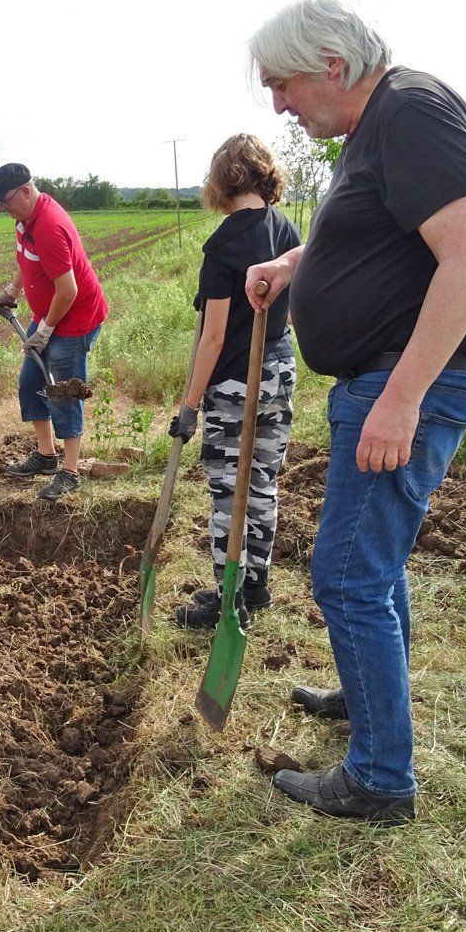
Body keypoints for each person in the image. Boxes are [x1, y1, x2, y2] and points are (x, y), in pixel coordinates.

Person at [246, 0, 466, 823]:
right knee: (371, 568)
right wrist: (296, 261)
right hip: (385, 377)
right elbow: (379, 234)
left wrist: (400, 398)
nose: (278, 104)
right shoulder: (376, 127)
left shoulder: (413, 113)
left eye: (281, 84)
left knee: (347, 576)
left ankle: (381, 778)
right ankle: (367, 701)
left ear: (329, 64)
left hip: (406, 381)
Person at [169, 134, 299, 629]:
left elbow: (214, 337)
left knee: (229, 492)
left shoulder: (222, 244)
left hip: (235, 384)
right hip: (279, 370)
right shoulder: (287, 230)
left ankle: (230, 598)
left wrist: (190, 404)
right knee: (262, 482)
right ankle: (256, 583)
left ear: (222, 180)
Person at [0, 163, 109, 501]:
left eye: (5, 201)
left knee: (64, 393)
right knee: (30, 384)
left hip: (73, 319)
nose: (3, 208)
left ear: (25, 191)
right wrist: (13, 292)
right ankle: (46, 455)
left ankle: (70, 472)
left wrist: (45, 331)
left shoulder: (50, 227)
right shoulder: (25, 219)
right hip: (48, 315)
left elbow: (67, 291)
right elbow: (26, 261)